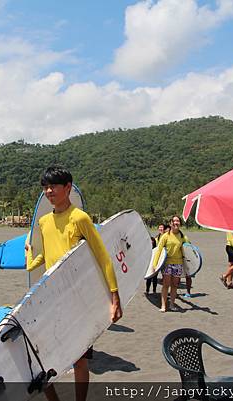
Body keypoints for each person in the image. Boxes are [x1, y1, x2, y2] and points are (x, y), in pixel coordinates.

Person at [25, 166, 122, 401]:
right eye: (45, 188)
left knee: (79, 359)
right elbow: (44, 258)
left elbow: (102, 256)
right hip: (52, 296)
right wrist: (29, 255)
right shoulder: (44, 222)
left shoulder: (80, 218)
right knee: (42, 358)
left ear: (68, 187)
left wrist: (114, 296)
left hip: (76, 297)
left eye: (53, 187)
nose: (48, 191)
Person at [152, 215, 191, 312]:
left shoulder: (182, 237)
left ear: (180, 224)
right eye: (174, 221)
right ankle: (164, 306)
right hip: (167, 263)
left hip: (178, 264)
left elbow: (189, 250)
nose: (176, 223)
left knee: (174, 285)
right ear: (171, 223)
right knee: (166, 284)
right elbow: (159, 250)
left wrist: (190, 266)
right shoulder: (166, 236)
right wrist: (154, 264)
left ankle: (172, 305)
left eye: (178, 221)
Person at [145, 223, 167, 294]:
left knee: (161, 276)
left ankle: (157, 290)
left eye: (162, 227)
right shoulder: (156, 237)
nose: (161, 229)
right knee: (150, 276)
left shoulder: (166, 236)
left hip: (163, 258)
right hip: (154, 259)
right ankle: (147, 290)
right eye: (159, 227)